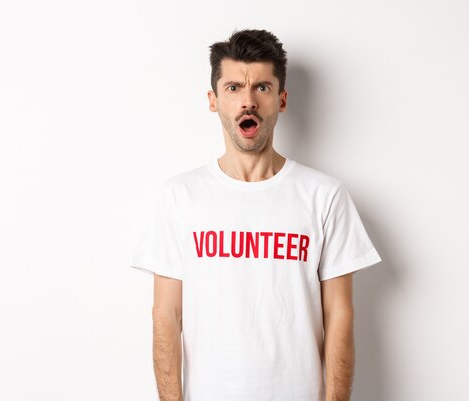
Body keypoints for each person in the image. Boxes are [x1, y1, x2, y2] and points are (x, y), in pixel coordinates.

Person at [131, 29, 382, 401]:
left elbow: (340, 316)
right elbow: (166, 314)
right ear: (213, 100)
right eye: (233, 88)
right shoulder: (180, 196)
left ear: (281, 100)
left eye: (261, 88)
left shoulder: (324, 196)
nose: (247, 101)